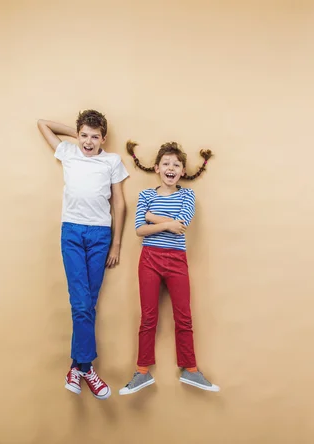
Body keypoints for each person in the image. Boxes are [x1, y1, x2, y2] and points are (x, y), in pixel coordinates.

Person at [37, 110, 129, 400]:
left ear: (104, 138)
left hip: (101, 235)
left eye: (95, 136)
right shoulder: (68, 151)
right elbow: (43, 124)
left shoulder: (112, 161)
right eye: (84, 135)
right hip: (73, 234)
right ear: (78, 136)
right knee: (81, 303)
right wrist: (75, 133)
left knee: (88, 304)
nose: (89, 141)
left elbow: (120, 203)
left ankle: (76, 368)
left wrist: (116, 244)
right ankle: (86, 368)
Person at [118, 140, 219, 395]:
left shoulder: (187, 195)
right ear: (157, 168)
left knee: (183, 317)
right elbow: (140, 230)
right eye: (166, 163)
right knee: (148, 318)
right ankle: (142, 372)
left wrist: (153, 217)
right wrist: (165, 224)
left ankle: (191, 369)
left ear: (182, 171)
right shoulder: (145, 195)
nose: (170, 168)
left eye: (176, 164)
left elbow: (182, 224)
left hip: (176, 260)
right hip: (149, 259)